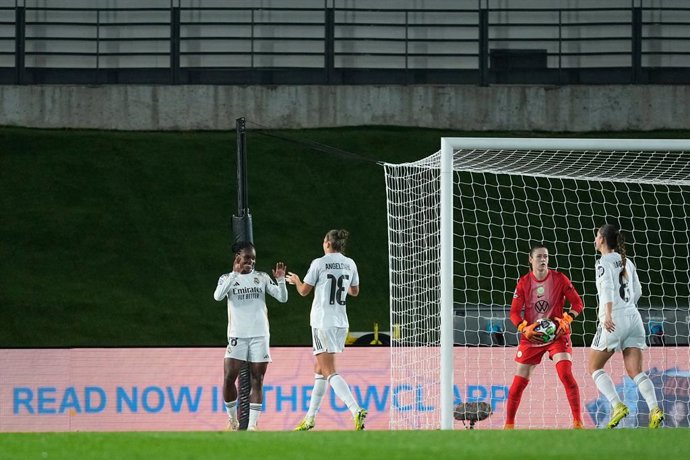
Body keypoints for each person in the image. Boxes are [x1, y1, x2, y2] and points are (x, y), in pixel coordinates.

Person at [285, 229, 367, 431]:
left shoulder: (319, 263)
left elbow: (304, 291)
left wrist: (296, 281)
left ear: (328, 244)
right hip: (341, 322)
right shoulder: (350, 263)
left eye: (324, 241)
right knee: (319, 370)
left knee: (329, 371)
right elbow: (354, 292)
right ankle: (310, 418)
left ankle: (355, 410)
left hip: (322, 322)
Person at [588, 224, 664, 429]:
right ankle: (655, 409)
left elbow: (607, 288)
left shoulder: (602, 262)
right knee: (635, 371)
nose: (595, 239)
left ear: (602, 239)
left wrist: (608, 314)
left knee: (594, 367)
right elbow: (637, 291)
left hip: (614, 319)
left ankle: (617, 405)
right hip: (634, 317)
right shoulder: (627, 262)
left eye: (596, 236)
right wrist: (626, 308)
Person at [504, 243, 584, 429]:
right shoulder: (524, 283)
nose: (543, 260)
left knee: (565, 373)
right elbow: (514, 312)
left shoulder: (559, 278)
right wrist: (525, 329)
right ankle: (508, 425)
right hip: (532, 336)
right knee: (518, 382)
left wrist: (567, 320)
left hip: (557, 334)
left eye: (546, 256)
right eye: (539, 256)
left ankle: (578, 422)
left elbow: (578, 304)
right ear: (530, 260)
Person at [213, 241, 288, 431]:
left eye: (253, 258)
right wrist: (234, 274)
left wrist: (280, 280)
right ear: (238, 257)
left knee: (258, 379)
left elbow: (282, 297)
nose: (251, 262)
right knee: (229, 377)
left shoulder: (261, 277)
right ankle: (232, 420)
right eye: (247, 258)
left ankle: (253, 426)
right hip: (237, 334)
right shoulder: (226, 278)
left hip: (259, 335)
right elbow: (218, 296)